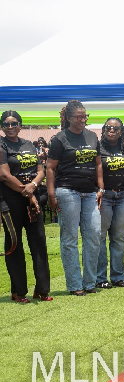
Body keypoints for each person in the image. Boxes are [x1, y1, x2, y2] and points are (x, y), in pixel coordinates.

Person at [46, 100, 103, 296]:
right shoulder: (60, 139)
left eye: (85, 116)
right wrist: (51, 194)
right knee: (70, 238)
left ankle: (89, 282)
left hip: (90, 193)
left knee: (94, 234)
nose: (82, 120)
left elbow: (98, 164)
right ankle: (74, 284)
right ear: (69, 118)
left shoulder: (93, 136)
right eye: (79, 117)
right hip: (67, 191)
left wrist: (101, 188)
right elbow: (50, 168)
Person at [0, 110, 51, 302]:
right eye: (6, 124)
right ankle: (18, 291)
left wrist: (34, 186)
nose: (11, 127)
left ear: (20, 125)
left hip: (32, 197)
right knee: (15, 245)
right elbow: (4, 175)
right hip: (11, 199)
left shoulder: (29, 144)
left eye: (14, 123)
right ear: (2, 127)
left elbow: (41, 170)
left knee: (38, 242)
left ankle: (42, 289)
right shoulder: (1, 145)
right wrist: (27, 192)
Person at [95, 118, 124, 289]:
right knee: (100, 237)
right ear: (103, 130)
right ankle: (100, 278)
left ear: (121, 131)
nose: (112, 130)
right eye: (108, 128)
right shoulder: (98, 149)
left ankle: (118, 276)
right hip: (105, 196)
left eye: (115, 128)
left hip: (123, 196)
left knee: (118, 238)